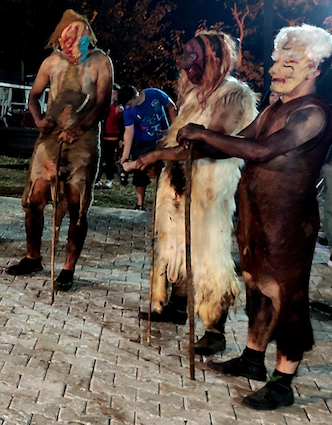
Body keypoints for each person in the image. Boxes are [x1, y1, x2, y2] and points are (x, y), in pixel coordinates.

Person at [179, 24, 332, 410]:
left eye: (290, 63)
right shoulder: (276, 108)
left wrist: (206, 135)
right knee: (256, 288)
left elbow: (262, 150)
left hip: (288, 224)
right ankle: (252, 358)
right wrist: (196, 145)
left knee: (286, 299)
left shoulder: (312, 114)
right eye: (277, 61)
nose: (277, 69)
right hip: (256, 217)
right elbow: (241, 143)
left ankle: (283, 382)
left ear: (314, 68)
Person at [125, 32, 258, 356]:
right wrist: (159, 157)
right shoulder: (193, 96)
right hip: (179, 184)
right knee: (176, 246)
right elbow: (176, 141)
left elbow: (213, 143)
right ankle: (177, 305)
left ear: (215, 58)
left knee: (209, 255)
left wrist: (158, 156)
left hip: (210, 188)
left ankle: (214, 330)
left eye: (193, 56)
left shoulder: (235, 95)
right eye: (184, 55)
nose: (186, 63)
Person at [4, 10, 113, 289]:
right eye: (68, 40)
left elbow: (101, 104)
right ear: (60, 41)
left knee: (76, 204)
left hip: (83, 141)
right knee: (34, 199)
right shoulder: (51, 62)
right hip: (50, 139)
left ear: (88, 37)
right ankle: (33, 255)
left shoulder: (101, 62)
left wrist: (79, 127)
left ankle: (68, 268)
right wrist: (39, 119)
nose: (73, 46)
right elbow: (33, 96)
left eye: (79, 39)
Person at [118, 85, 176, 209]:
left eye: (129, 103)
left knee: (165, 170)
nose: (128, 107)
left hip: (162, 138)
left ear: (136, 96)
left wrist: (174, 128)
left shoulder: (155, 94)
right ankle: (140, 204)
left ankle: (164, 202)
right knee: (141, 172)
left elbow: (171, 106)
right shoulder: (128, 110)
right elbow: (129, 132)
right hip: (142, 141)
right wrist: (125, 155)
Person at [97, 83, 123, 188]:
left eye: (114, 93)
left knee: (110, 160)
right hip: (101, 136)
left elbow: (122, 124)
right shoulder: (102, 106)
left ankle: (109, 179)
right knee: (99, 159)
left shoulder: (118, 108)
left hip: (113, 137)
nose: (112, 95)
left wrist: (121, 138)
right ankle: (97, 179)